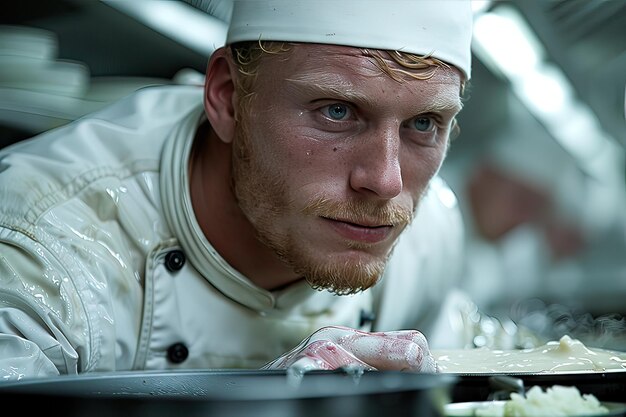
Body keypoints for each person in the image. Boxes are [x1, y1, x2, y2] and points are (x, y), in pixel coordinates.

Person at [0, 0, 474, 380]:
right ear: (227, 98)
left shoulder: (429, 241)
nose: (386, 182)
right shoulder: (38, 255)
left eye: (423, 123)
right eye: (337, 111)